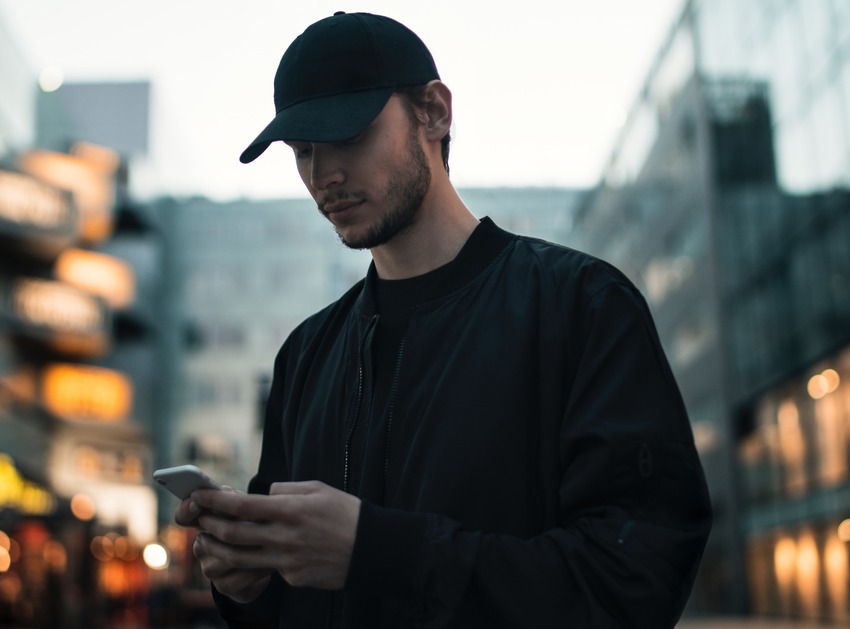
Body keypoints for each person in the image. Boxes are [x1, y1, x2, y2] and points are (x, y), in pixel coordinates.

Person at [174, 11, 712, 628]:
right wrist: (250, 587)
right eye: (303, 150)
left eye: (346, 136)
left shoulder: (581, 307)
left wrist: (375, 550)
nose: (323, 176)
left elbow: (634, 585)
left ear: (434, 112)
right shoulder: (306, 355)